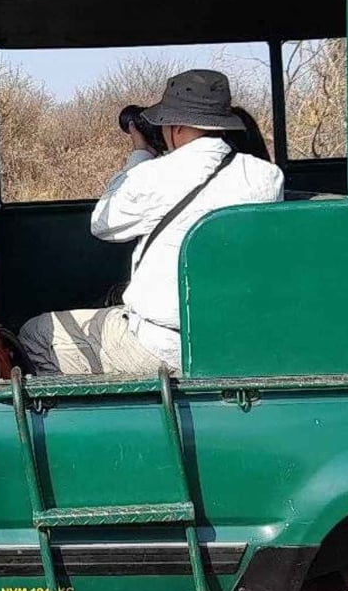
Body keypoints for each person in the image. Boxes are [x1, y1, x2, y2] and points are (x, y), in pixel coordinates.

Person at [18, 69, 284, 376]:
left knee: (35, 334)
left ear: (177, 126)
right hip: (229, 339)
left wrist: (140, 155)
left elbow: (103, 223)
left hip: (164, 346)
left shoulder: (154, 176)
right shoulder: (268, 177)